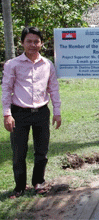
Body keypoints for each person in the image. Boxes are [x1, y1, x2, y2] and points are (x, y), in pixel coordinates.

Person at [2, 27, 62, 198]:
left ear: (41, 43)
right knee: (19, 152)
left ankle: (39, 182)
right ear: (22, 43)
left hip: (42, 112)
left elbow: (54, 89)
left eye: (36, 41)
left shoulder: (47, 64)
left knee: (41, 152)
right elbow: (6, 90)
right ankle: (19, 187)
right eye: (29, 41)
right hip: (19, 113)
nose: (33, 45)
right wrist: (7, 114)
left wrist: (57, 112)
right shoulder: (12, 65)